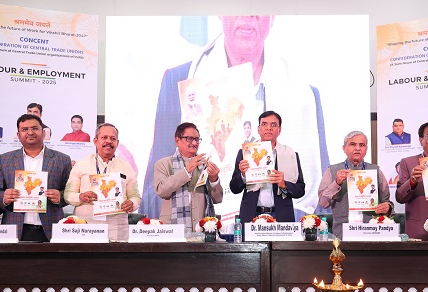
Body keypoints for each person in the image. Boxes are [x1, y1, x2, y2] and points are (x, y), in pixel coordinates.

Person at [139, 16, 327, 220]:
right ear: (221, 12)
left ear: (273, 16)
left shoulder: (304, 95)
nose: (248, 14)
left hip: (280, 224)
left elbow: (321, 200)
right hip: (202, 220)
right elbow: (154, 190)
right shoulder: (180, 80)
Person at [0, 114, 71, 242]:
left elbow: (70, 191)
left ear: (43, 132)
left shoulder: (62, 159)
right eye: (24, 129)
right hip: (15, 227)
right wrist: (4, 197)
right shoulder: (4, 159)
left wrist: (60, 197)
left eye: (34, 128)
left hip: (51, 227)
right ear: (18, 135)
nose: (30, 132)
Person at [64, 123, 141, 242]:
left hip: (116, 230)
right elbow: (68, 194)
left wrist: (132, 203)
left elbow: (135, 196)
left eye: (113, 138)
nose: (108, 141)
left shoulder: (126, 167)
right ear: (95, 141)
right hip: (86, 229)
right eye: (104, 137)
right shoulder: (81, 164)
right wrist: (81, 197)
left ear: (117, 143)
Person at [230, 111, 305, 223]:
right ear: (258, 129)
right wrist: (243, 176)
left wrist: (284, 185)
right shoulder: (245, 153)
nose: (269, 128)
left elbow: (300, 190)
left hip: (281, 216)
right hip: (252, 215)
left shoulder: (290, 154)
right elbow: (234, 188)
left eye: (273, 125)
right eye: (264, 124)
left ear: (279, 130)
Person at [318, 131, 393, 236]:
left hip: (371, 231)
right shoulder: (332, 171)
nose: (358, 148)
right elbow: (323, 203)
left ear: (366, 149)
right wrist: (336, 183)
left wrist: (387, 207)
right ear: (344, 148)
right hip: (342, 233)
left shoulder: (376, 171)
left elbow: (387, 201)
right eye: (353, 144)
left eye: (362, 145)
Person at [153, 122, 223, 235]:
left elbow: (218, 199)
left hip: (202, 230)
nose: (194, 143)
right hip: (172, 230)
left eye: (197, 139)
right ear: (177, 140)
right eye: (189, 139)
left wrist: (214, 180)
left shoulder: (205, 165)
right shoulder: (163, 164)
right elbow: (161, 190)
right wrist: (187, 170)